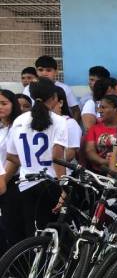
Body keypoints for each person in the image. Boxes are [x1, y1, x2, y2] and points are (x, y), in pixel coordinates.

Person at [4, 79, 68, 240]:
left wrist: (29, 163)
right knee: (55, 235)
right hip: (51, 183)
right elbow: (57, 157)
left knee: (33, 233)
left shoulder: (19, 121)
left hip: (26, 183)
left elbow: (10, 155)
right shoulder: (59, 121)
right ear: (54, 97)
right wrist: (64, 188)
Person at [23, 56, 79, 120]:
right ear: (36, 71)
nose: (44, 73)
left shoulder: (64, 88)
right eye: (40, 70)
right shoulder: (27, 89)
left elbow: (75, 110)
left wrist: (71, 124)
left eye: (48, 70)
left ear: (56, 72)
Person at [0, 89, 21, 251]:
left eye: (4, 103)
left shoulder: (18, 127)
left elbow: (15, 159)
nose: (0, 107)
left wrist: (3, 181)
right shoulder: (1, 128)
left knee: (11, 226)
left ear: (13, 105)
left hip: (11, 181)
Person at [85, 95, 117, 172]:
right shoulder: (94, 129)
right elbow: (90, 151)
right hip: (99, 172)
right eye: (99, 107)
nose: (99, 111)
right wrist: (105, 162)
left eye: (103, 107)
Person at [52, 87, 82, 164]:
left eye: (50, 101)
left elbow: (70, 154)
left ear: (60, 103)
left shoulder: (70, 123)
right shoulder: (42, 123)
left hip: (64, 168)